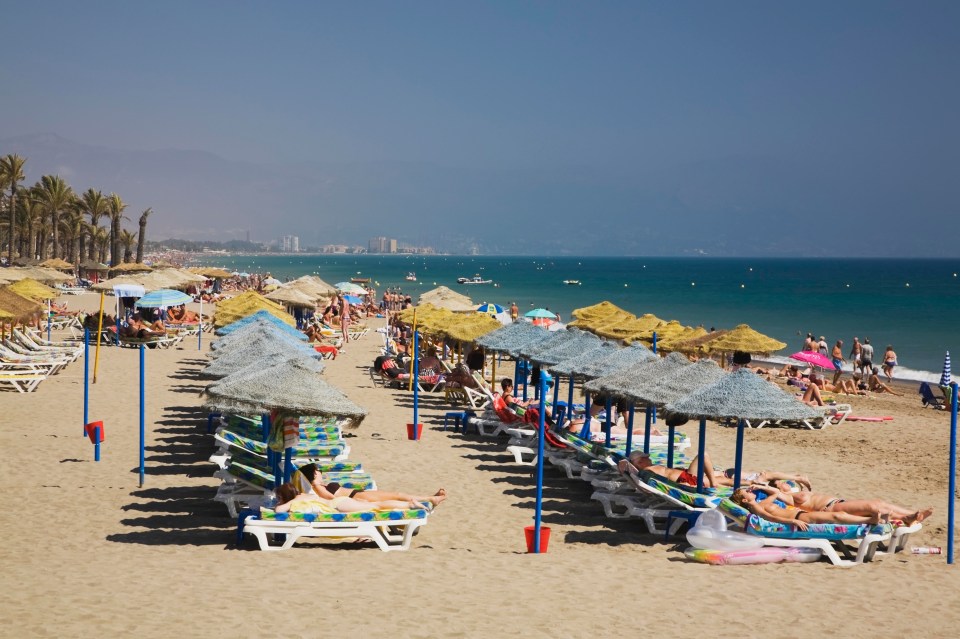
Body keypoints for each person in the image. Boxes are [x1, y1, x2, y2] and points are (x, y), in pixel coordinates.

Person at [620, 449, 811, 490]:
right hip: (686, 481)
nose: (649, 457)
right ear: (640, 461)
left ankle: (756, 484)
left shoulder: (652, 468)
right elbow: (635, 472)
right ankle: (758, 483)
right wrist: (626, 467)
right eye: (645, 457)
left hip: (688, 477)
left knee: (724, 480)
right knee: (703, 455)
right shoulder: (648, 471)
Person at [765, 481, 933, 526]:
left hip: (838, 502)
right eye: (781, 483)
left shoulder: (795, 491)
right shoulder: (788, 497)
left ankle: (909, 514)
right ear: (778, 487)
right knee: (872, 507)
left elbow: (796, 479)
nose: (785, 482)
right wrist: (764, 486)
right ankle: (907, 517)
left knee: (878, 503)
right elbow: (774, 492)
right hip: (832, 507)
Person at [291, 463, 447, 509]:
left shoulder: (320, 485)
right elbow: (332, 500)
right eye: (318, 470)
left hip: (357, 494)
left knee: (397, 494)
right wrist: (358, 502)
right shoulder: (317, 487)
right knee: (397, 494)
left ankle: (430, 498)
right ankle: (431, 499)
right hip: (356, 497)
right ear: (313, 474)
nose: (320, 472)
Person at [731, 488, 885, 530]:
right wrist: (792, 521)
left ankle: (871, 520)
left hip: (801, 514)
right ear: (745, 500)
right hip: (799, 519)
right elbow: (771, 518)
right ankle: (870, 520)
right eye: (748, 492)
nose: (751, 492)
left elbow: (776, 493)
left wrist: (758, 486)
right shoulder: (756, 508)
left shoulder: (762, 502)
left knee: (839, 514)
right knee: (836, 517)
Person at [274, 483, 425, 514]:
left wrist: (285, 502)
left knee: (378, 506)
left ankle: (410, 505)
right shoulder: (303, 495)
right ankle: (409, 503)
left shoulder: (296, 501)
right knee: (376, 505)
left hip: (338, 505)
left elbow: (278, 510)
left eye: (279, 497)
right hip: (339, 503)